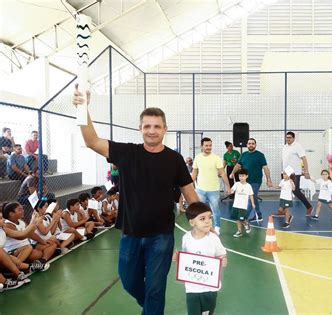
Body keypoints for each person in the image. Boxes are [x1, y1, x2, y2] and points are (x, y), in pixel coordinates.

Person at [73, 84, 199, 315]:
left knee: (155, 290)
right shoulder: (127, 153)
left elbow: (191, 195)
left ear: (165, 129)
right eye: (147, 126)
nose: (152, 131)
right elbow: (92, 141)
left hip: (161, 237)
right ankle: (151, 308)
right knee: (130, 282)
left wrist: (206, 224)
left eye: (157, 126)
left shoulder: (175, 159)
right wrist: (83, 108)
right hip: (130, 234)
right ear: (140, 128)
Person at [172, 202, 227, 315]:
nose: (208, 221)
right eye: (202, 218)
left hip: (210, 288)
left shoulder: (214, 239)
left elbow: (221, 254)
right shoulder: (186, 238)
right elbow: (185, 260)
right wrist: (177, 258)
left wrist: (223, 260)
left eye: (209, 217)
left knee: (207, 313)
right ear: (192, 222)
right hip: (192, 288)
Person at [192, 137, 231, 235]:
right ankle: (202, 227)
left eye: (210, 145)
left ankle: (217, 227)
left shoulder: (216, 158)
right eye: (206, 145)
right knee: (200, 211)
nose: (208, 147)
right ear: (202, 146)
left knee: (215, 210)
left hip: (213, 190)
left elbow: (222, 173)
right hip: (200, 190)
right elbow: (194, 174)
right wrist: (188, 187)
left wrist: (228, 186)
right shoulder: (197, 157)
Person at [230, 138, 273, 222]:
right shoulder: (244, 155)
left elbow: (265, 168)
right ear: (247, 145)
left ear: (255, 145)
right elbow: (238, 165)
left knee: (251, 197)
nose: (251, 145)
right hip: (245, 181)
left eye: (253, 143)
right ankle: (259, 215)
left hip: (256, 181)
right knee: (254, 197)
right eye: (249, 143)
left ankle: (244, 217)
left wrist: (268, 179)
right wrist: (232, 173)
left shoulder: (260, 155)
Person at [282, 132, 313, 216]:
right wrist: (283, 172)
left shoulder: (297, 146)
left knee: (295, 191)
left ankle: (309, 206)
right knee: (285, 190)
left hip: (295, 173)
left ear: (293, 138)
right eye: (287, 137)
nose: (288, 139)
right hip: (286, 172)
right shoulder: (285, 147)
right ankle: (282, 210)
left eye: (290, 137)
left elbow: (304, 158)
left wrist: (306, 171)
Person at [230, 169, 255, 237]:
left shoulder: (248, 186)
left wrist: (253, 203)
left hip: (243, 206)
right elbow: (232, 190)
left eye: (243, 176)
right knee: (237, 219)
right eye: (240, 176)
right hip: (236, 205)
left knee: (241, 219)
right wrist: (231, 191)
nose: (241, 177)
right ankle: (239, 231)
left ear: (246, 176)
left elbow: (251, 195)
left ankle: (246, 224)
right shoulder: (236, 184)